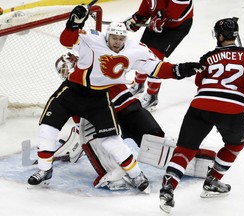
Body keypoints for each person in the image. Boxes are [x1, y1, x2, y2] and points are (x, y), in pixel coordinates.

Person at [27, 5, 204, 193]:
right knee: (49, 129)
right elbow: (67, 39)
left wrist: (181, 70)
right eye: (114, 38)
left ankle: (144, 172)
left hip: (108, 102)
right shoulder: (90, 42)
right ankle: (45, 171)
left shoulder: (135, 50)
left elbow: (157, 68)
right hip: (76, 95)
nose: (117, 42)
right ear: (107, 37)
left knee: (139, 139)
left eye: (121, 38)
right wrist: (74, 23)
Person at [158, 18, 244, 213]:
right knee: (235, 145)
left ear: (218, 35)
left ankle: (168, 187)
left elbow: (199, 82)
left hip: (199, 106)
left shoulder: (208, 57)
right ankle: (213, 181)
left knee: (185, 149)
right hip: (231, 110)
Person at [124, 0, 194, 111]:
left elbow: (176, 11)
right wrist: (139, 17)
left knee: (155, 56)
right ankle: (138, 85)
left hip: (176, 25)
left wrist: (162, 18)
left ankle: (152, 96)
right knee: (142, 51)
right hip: (159, 19)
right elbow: (149, 3)